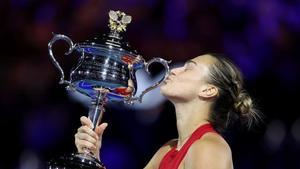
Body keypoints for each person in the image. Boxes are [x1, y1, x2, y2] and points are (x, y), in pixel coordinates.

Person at [74, 53, 261, 169]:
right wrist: (92, 156)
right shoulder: (167, 150)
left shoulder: (209, 147)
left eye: (188, 68)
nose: (173, 71)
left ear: (208, 90)